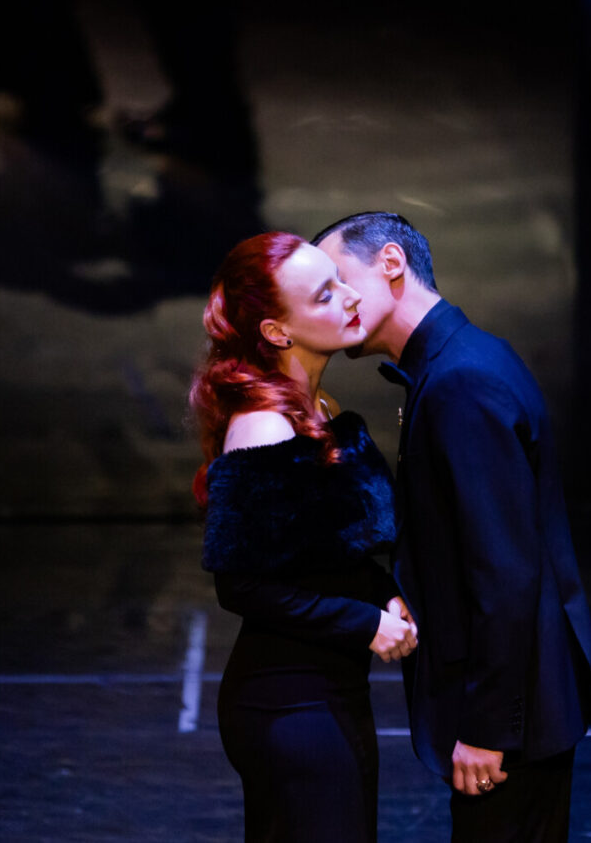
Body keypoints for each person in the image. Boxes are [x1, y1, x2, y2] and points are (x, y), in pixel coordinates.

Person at [312, 212, 591, 842]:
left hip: (512, 721)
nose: (334, 302)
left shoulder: (460, 381)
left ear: (391, 263)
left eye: (337, 279)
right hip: (523, 705)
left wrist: (489, 729)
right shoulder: (461, 360)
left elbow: (505, 574)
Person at [188, 231, 417, 842]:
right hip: (287, 702)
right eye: (324, 295)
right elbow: (242, 587)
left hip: (329, 692)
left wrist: (383, 592)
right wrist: (365, 623)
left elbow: (326, 549)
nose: (350, 297)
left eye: (340, 281)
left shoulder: (317, 407)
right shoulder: (264, 426)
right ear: (277, 332)